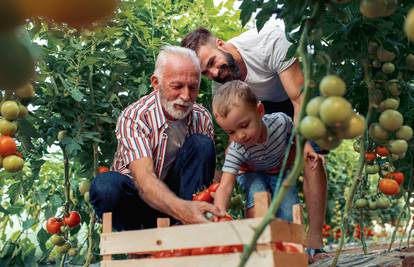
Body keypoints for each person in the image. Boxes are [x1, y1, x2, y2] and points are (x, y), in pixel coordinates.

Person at [181, 21, 328, 260]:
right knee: (259, 165)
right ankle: (268, 245)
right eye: (205, 74)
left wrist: (306, 143)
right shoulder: (223, 85)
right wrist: (230, 169)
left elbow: (298, 101)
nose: (215, 74)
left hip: (296, 93)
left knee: (312, 157)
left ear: (220, 44)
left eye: (212, 63)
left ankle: (315, 241)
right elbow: (232, 130)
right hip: (258, 106)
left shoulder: (269, 42)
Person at [89, 45, 224, 231]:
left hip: (183, 201)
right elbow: (144, 181)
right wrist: (183, 209)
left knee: (202, 144)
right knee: (105, 186)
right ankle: (137, 243)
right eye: (177, 86)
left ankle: (188, 233)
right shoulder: (135, 117)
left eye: (193, 87)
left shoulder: (201, 117)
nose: (186, 96)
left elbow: (202, 173)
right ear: (155, 83)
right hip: (141, 202)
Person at [212, 80, 298, 221]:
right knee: (257, 196)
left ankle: (290, 242)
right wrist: (219, 213)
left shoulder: (281, 123)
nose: (240, 136)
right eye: (231, 132)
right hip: (250, 173)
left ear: (260, 111)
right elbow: (225, 186)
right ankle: (255, 238)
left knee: (289, 211)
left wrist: (295, 155)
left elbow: (298, 137)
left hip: (279, 171)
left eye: (244, 125)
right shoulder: (237, 149)